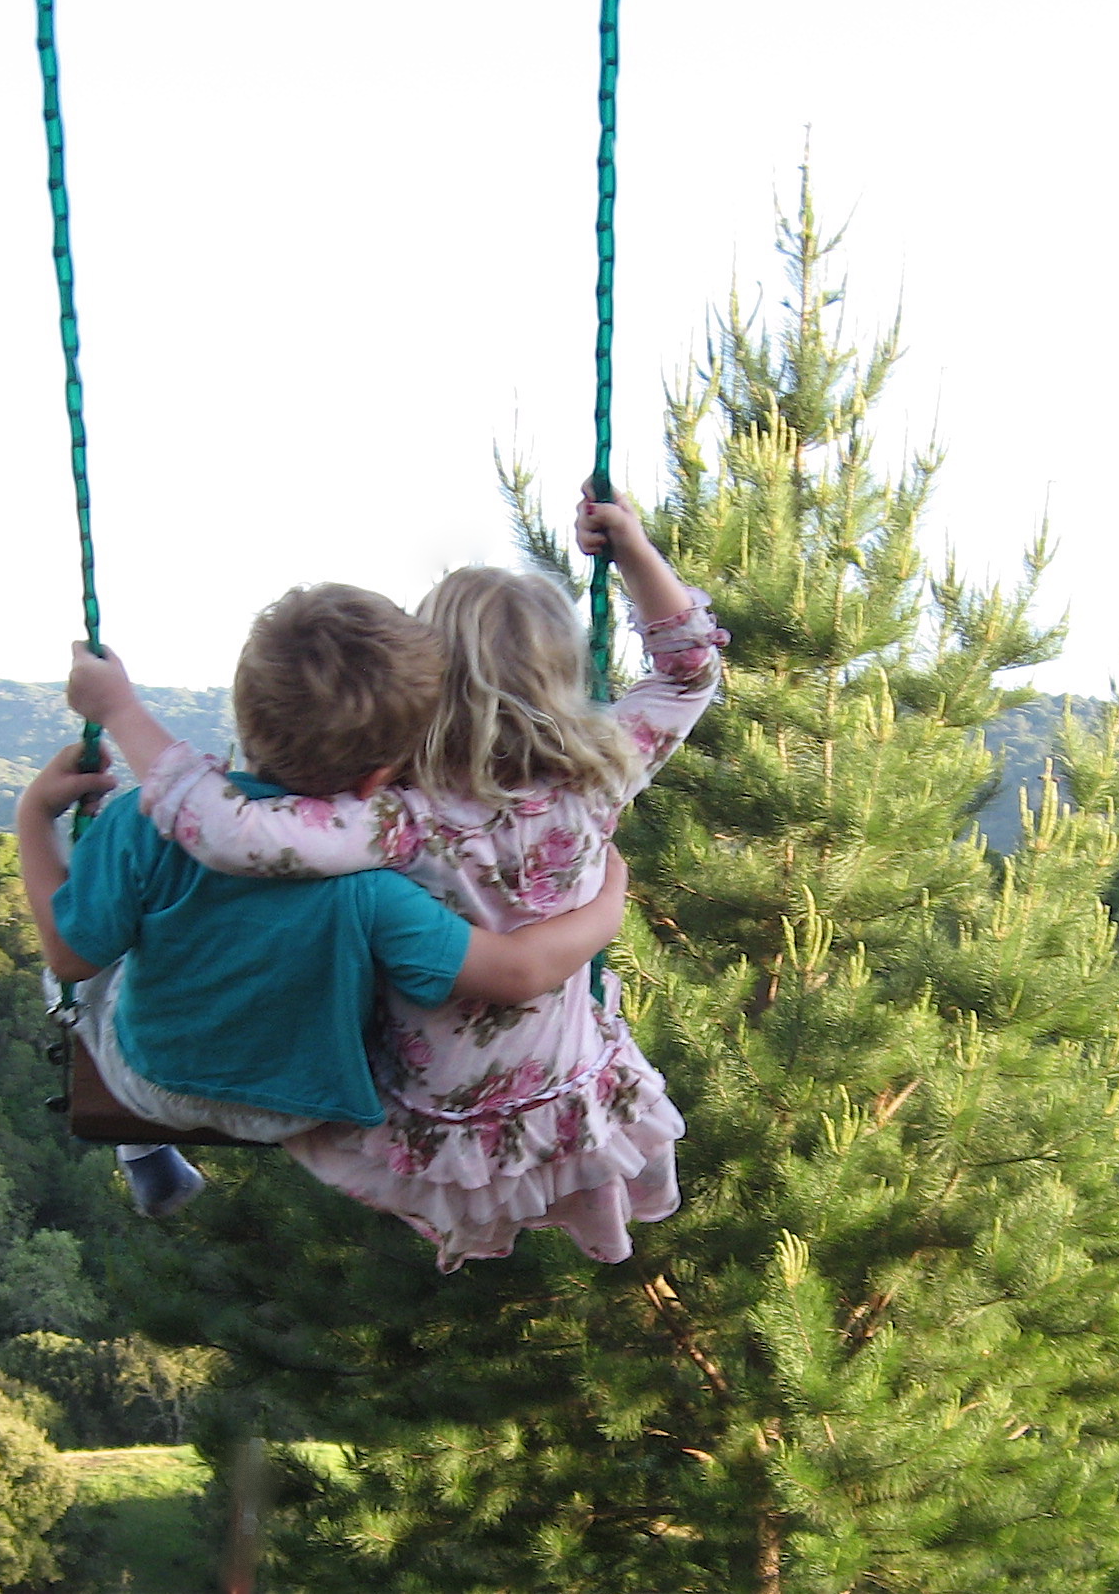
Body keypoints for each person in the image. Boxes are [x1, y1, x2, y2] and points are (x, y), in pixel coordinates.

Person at [104, 490, 726, 1268]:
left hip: (437, 1122)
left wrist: (124, 712)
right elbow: (688, 669)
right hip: (571, 1093)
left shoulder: (396, 817)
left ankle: (146, 1141)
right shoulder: (601, 773)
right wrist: (631, 549)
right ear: (562, 674)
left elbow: (232, 832)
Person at [16, 583, 631, 1219]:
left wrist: (34, 817)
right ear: (379, 776)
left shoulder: (141, 826)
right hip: (297, 1108)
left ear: (245, 712)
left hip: (154, 1080)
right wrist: (609, 902)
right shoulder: (384, 879)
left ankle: (144, 1154)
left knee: (83, 958)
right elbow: (516, 970)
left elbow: (69, 960)